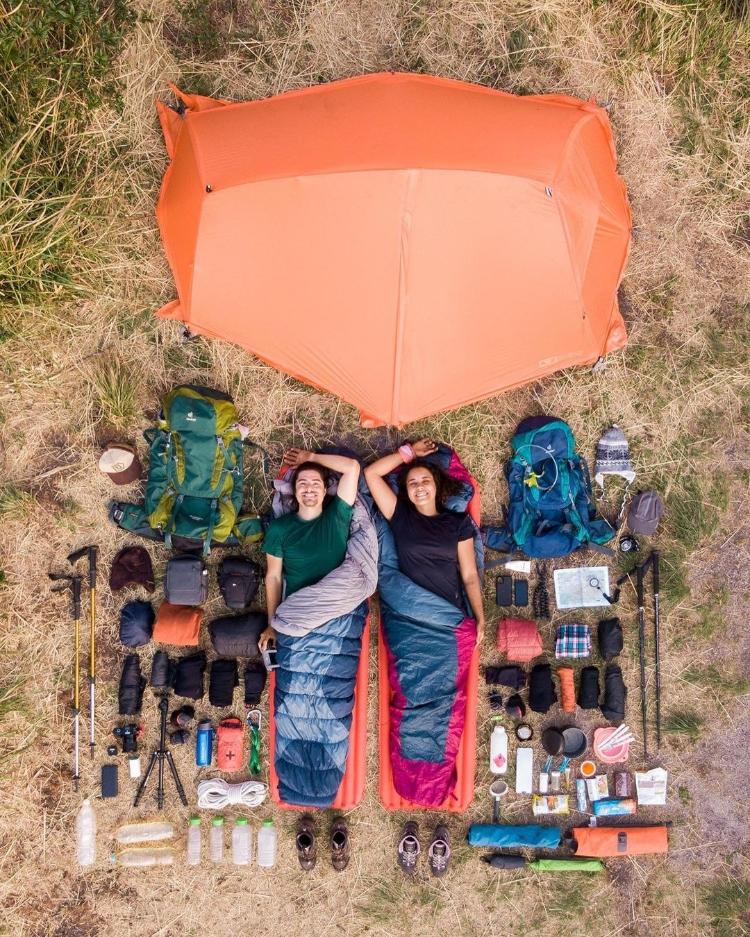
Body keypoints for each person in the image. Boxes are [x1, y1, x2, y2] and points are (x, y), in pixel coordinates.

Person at [364, 438, 485, 642]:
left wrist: (480, 617)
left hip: (448, 614)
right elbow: (371, 473)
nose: (419, 487)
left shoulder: (458, 522)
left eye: (425, 481)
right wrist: (409, 452)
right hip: (410, 615)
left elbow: (470, 575)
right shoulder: (400, 516)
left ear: (436, 485)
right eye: (412, 483)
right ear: (407, 490)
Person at [259, 449, 361, 651]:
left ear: (325, 490)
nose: (309, 488)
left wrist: (311, 458)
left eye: (316, 483)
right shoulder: (280, 529)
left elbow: (352, 467)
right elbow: (274, 577)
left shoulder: (337, 515)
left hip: (339, 610)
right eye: (302, 483)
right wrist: (272, 624)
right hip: (300, 612)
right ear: (295, 490)